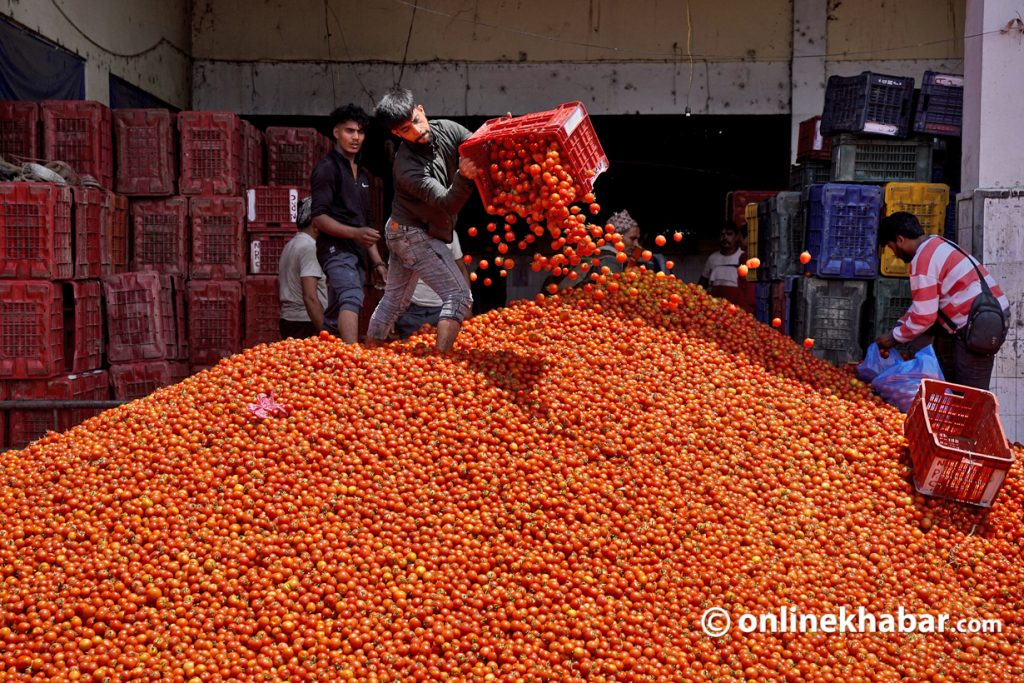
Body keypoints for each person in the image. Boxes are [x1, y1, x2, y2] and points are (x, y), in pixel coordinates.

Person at [365, 88, 478, 352]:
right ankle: (441, 363)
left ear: (421, 110)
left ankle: (368, 352)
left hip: (400, 230)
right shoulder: (406, 167)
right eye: (405, 130)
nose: (415, 131)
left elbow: (476, 145)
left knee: (395, 299)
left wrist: (498, 136)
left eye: (415, 121)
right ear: (396, 134)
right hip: (411, 233)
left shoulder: (448, 129)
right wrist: (463, 177)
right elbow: (447, 202)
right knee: (459, 295)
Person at [875, 211, 1010, 390]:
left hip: (981, 323)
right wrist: (901, 325)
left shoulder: (923, 261)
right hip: (985, 316)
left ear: (900, 240)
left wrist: (893, 337)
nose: (896, 255)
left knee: (970, 394)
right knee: (960, 386)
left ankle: (974, 417)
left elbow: (924, 317)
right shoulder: (936, 244)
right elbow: (923, 305)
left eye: (891, 248)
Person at [310, 103, 386, 343]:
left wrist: (378, 264)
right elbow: (319, 218)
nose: (356, 137)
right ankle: (351, 359)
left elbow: (367, 227)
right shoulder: (326, 169)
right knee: (351, 295)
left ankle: (327, 353)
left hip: (357, 253)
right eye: (349, 131)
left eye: (360, 132)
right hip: (335, 250)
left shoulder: (363, 175)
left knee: (336, 313)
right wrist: (355, 233)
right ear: (336, 132)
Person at [394, 232, 471, 338]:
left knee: (442, 352)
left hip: (444, 308)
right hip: (412, 310)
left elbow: (461, 269)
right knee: (410, 349)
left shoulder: (450, 234)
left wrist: (467, 307)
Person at [277, 197, 327, 339]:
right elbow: (310, 297)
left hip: (290, 319)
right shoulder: (310, 248)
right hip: (305, 322)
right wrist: (325, 333)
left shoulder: (291, 245)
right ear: (315, 223)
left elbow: (279, 287)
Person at [698, 221, 755, 314]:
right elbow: (702, 284)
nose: (725, 237)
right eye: (722, 234)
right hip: (716, 310)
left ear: (737, 237)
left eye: (729, 234)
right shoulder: (712, 258)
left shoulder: (743, 257)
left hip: (739, 309)